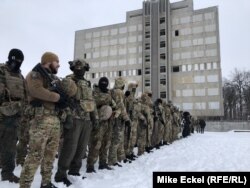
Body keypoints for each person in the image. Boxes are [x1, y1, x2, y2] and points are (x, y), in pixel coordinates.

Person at [19, 52, 69, 188]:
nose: (59, 64)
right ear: (49, 61)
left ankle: (46, 183)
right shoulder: (35, 74)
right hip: (40, 119)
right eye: (57, 61)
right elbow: (36, 91)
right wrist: (58, 98)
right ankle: (24, 185)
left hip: (54, 119)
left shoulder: (54, 78)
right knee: (35, 155)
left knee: (50, 155)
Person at [54, 59, 99, 186]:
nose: (80, 70)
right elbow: (63, 99)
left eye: (82, 67)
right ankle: (61, 175)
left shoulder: (87, 83)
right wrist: (67, 115)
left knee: (81, 148)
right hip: (74, 118)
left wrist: (95, 119)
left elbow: (92, 102)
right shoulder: (68, 81)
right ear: (73, 68)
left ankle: (74, 172)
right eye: (77, 67)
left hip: (86, 120)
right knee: (69, 148)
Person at [0, 48, 26, 183]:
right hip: (4, 113)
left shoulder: (20, 76)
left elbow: (25, 95)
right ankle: (7, 172)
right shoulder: (2, 70)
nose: (18, 63)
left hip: (14, 115)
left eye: (21, 61)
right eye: (17, 60)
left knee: (10, 146)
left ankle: (7, 173)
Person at [86, 77, 116, 173]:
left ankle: (103, 163)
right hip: (98, 121)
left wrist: (112, 109)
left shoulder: (109, 93)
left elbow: (114, 105)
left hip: (108, 122)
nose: (104, 84)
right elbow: (92, 105)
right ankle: (90, 166)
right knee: (96, 144)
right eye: (102, 83)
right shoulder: (94, 92)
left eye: (105, 83)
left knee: (106, 143)